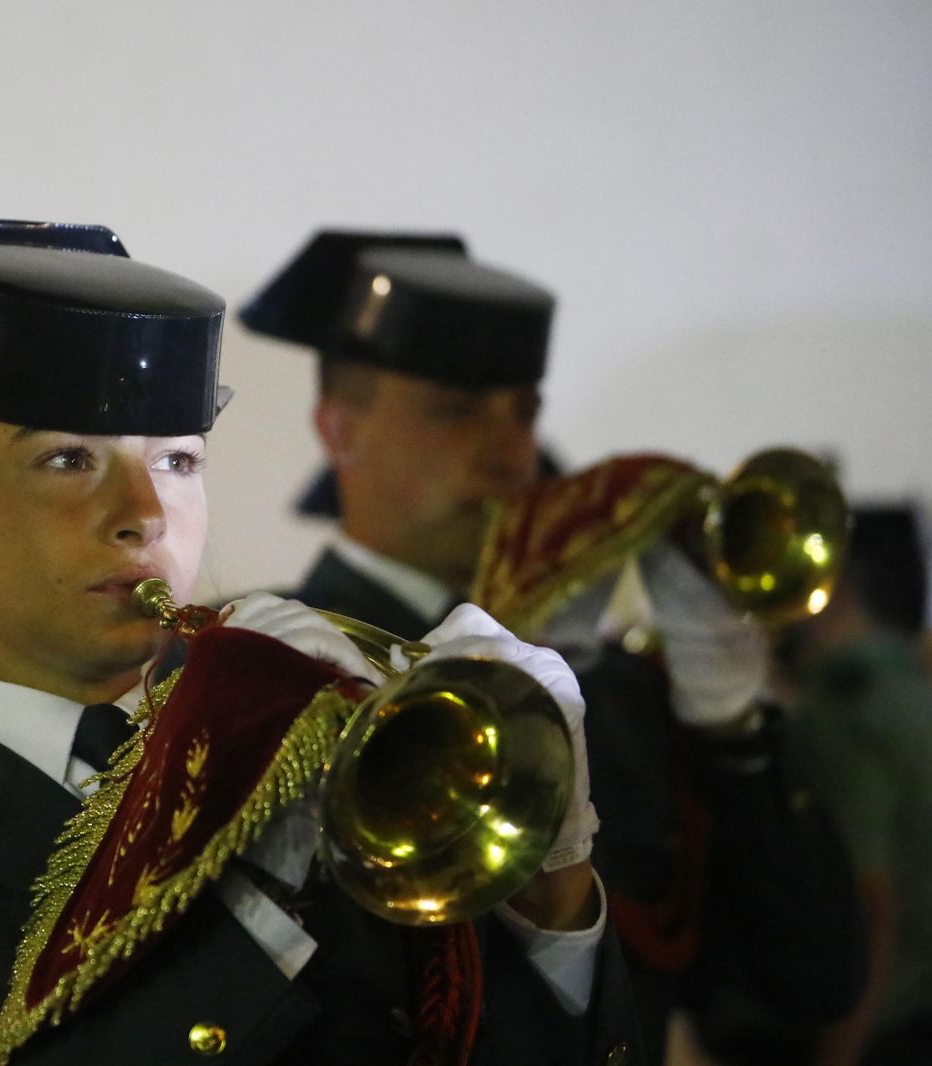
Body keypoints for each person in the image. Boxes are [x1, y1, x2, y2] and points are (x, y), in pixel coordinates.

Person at [0, 213, 641, 1065]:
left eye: (178, 461)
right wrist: (252, 881)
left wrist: (549, 888)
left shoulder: (334, 784)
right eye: (68, 461)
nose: (144, 513)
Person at [240, 229, 867, 1061]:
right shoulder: (264, 665)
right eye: (454, 411)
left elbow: (810, 981)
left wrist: (729, 717)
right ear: (339, 429)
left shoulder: (609, 685)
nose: (510, 452)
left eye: (525, 412)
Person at [782, 504, 932, 1065]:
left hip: (883, 1032)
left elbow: (871, 904)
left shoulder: (840, 709)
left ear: (835, 588)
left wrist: (837, 1055)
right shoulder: (915, 690)